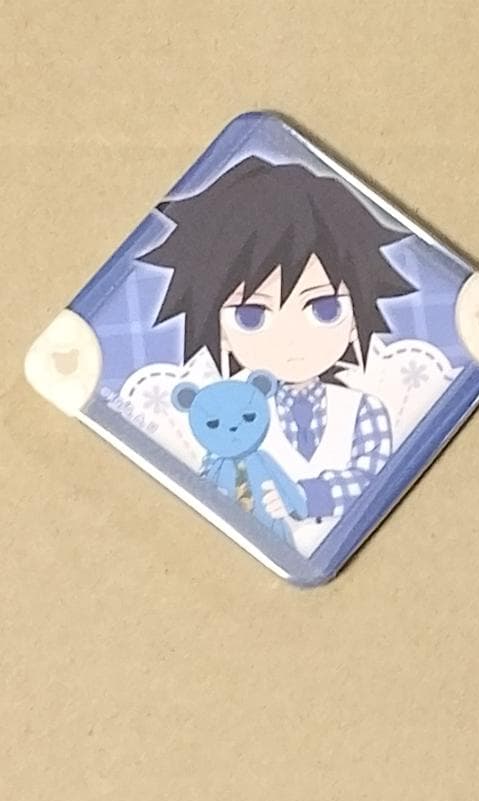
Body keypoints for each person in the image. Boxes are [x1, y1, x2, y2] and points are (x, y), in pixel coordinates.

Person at [140, 155, 416, 555]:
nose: (291, 340)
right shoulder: (226, 415)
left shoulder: (362, 411)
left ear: (356, 318)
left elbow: (373, 476)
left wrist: (306, 496)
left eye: (324, 309)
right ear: (219, 330)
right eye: (252, 316)